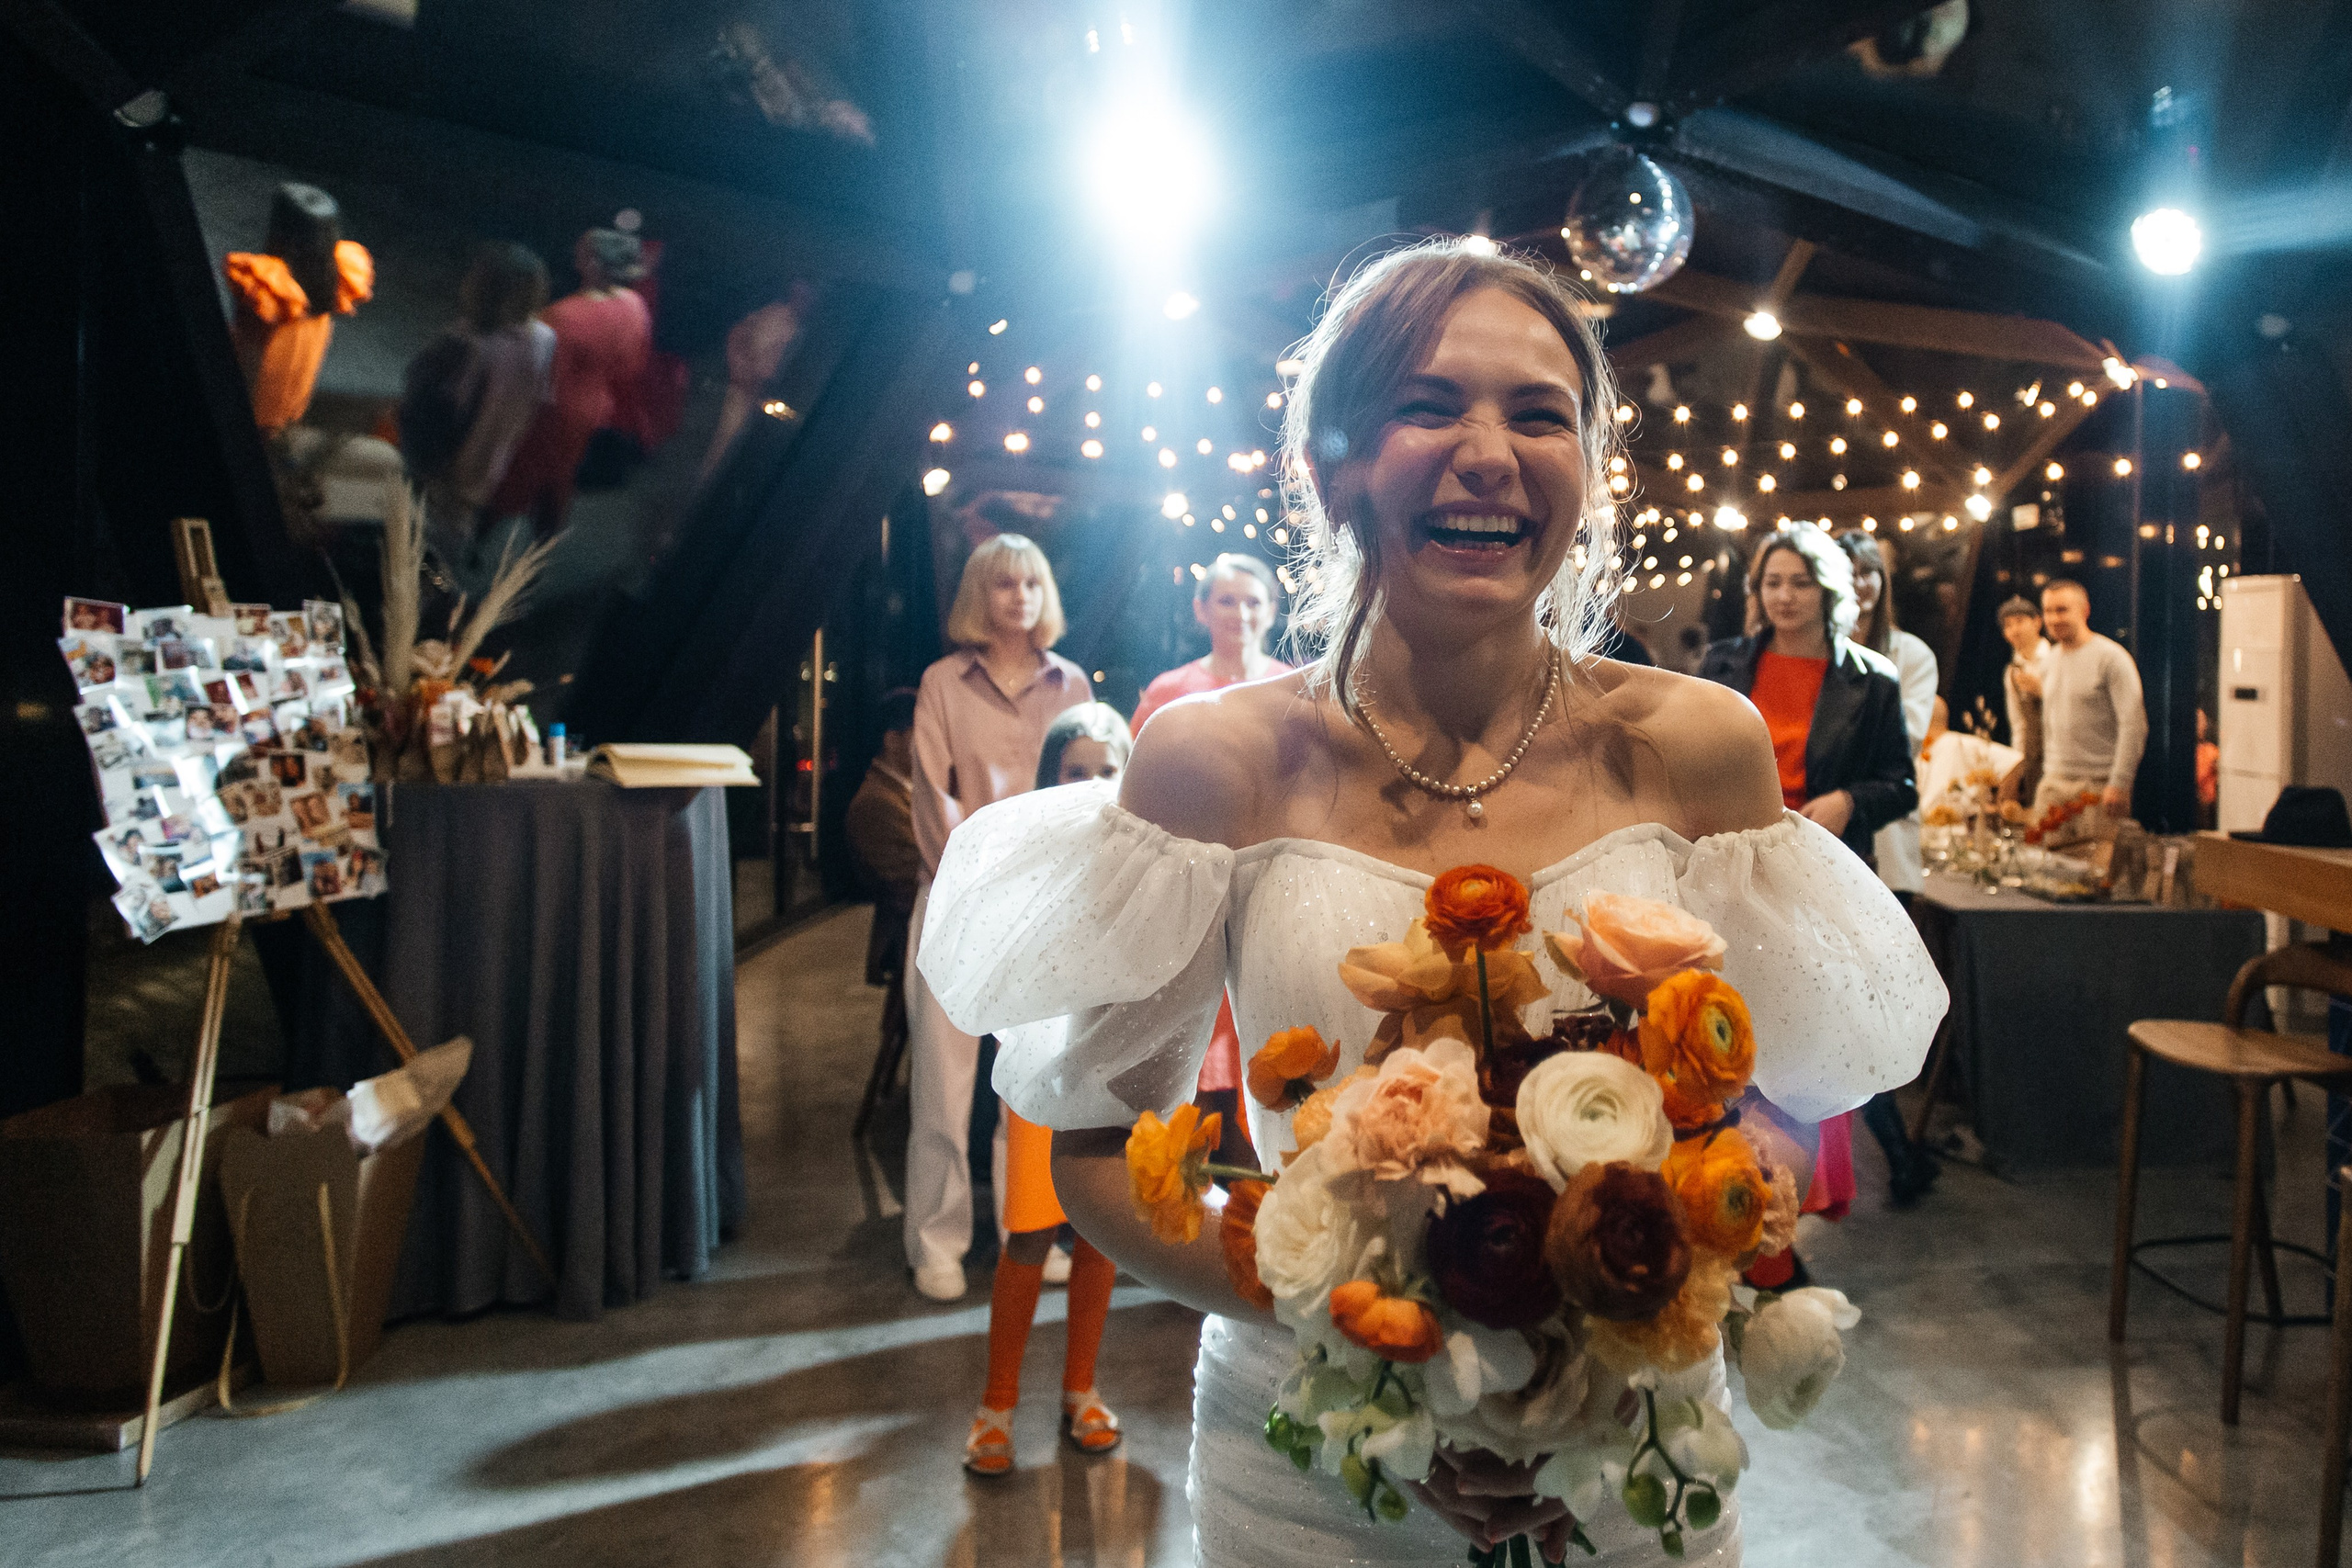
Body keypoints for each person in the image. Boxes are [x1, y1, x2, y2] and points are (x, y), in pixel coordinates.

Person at [915, 241, 1944, 1566]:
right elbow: (1101, 1153)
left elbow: (1790, 1103)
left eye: (1538, 414)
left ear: (1585, 469)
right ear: (1337, 463)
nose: (1487, 449)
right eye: (1426, 404)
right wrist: (1366, 1332)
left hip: (1630, 1459)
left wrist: (1614, 1319)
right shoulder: (1211, 761)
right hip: (1315, 1460)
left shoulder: (1703, 744)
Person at [1700, 526, 1924, 1226]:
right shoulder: (1723, 664)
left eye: (1799, 582)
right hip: (1728, 870)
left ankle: (1794, 1191)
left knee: (1814, 1029)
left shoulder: (1873, 680)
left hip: (1819, 875)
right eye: (1773, 582)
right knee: (1730, 1027)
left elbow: (1903, 784)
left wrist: (1851, 799)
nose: (1785, 595)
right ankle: (1723, 1174)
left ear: (1828, 590)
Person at [903, 534, 1093, 1303]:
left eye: (1032, 582)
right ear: (978, 596)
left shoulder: (1072, 681)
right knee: (943, 1088)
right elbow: (930, 794)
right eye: (1004, 583)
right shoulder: (942, 683)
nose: (1020, 595)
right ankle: (936, 1240)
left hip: (1046, 908)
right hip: (959, 901)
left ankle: (1031, 1229)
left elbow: (1089, 788)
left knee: (1033, 1086)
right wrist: (982, 875)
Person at [967, 703, 1135, 1478]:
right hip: (1041, 1060)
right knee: (1030, 1231)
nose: (1093, 783)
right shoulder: (1026, 855)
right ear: (1050, 778)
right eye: (1076, 770)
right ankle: (995, 1405)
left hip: (1113, 1059)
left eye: (1107, 768)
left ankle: (1080, 1390)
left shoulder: (1144, 858)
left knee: (1102, 1226)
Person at [1132, 553, 1291, 1170]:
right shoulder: (1168, 693)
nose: (1241, 613)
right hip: (1188, 892)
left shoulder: (1291, 685)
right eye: (1227, 600)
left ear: (1272, 611)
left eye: (1253, 601)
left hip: (1265, 881)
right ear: (1202, 609)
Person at [488, 229, 654, 539]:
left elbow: (532, 373)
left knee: (516, 474)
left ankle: (478, 535)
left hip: (549, 412)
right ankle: (541, 550)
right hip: (592, 408)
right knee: (559, 478)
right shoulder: (634, 306)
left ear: (592, 264)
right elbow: (633, 366)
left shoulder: (565, 317)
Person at [401, 243, 556, 536]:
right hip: (488, 469)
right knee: (449, 548)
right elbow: (537, 401)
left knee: (412, 542)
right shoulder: (545, 339)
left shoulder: (462, 342)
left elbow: (424, 407)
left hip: (442, 469)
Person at [222, 183, 375, 434]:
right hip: (293, 393)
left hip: (256, 391)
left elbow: (248, 350)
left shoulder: (266, 285)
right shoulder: (339, 273)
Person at [1839, 533, 1938, 897]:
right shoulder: (1810, 653)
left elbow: (1905, 740)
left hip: (1886, 838)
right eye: (1847, 572)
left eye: (1868, 572)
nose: (1858, 583)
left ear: (1883, 579)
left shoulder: (1912, 654)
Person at [846, 688, 922, 1103]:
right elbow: (920, 876)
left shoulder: (905, 793)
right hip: (905, 941)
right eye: (920, 732)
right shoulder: (874, 803)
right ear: (894, 739)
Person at [2030, 579, 2147, 817]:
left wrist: (2119, 782)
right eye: (2048, 611)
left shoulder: (2111, 658)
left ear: (2085, 611)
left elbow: (2133, 724)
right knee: (2041, 853)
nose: (2054, 619)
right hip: (2053, 782)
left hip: (2098, 785)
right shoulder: (2048, 661)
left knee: (2094, 854)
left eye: (2062, 610)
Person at [1996, 594, 2051, 752]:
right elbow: (2018, 724)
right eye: (2008, 625)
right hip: (2034, 752)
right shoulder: (2012, 672)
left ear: (2037, 622)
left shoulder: (2055, 657)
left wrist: (2041, 691)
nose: (2014, 630)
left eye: (2020, 621)